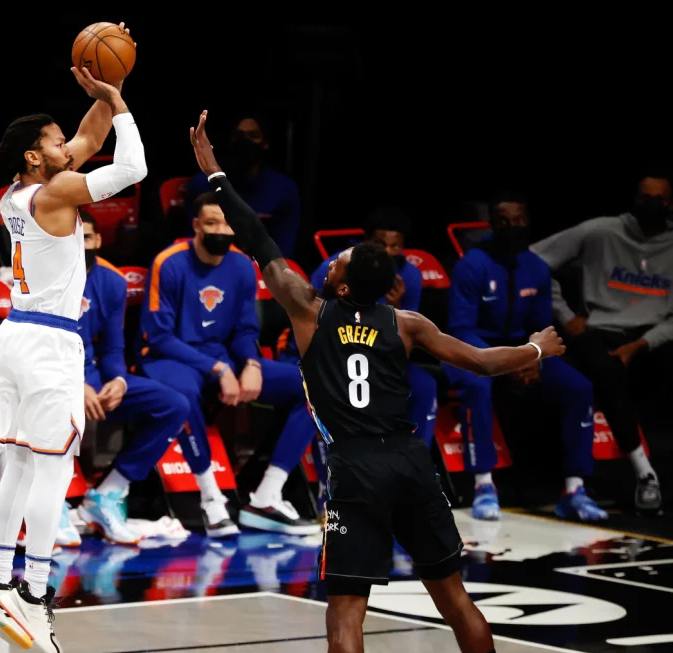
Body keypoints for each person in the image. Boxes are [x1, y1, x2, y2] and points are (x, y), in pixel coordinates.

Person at [190, 110, 567, 653]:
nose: (329, 264)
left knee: (346, 612)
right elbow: (483, 363)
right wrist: (538, 347)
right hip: (412, 462)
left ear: (340, 287)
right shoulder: (407, 324)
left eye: (336, 263)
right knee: (455, 599)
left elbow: (256, 238)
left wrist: (215, 174)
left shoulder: (307, 311)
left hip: (354, 469)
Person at [0, 46, 147, 653]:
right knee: (53, 468)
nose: (68, 142)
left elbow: (86, 144)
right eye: (55, 140)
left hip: (14, 337)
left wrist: (103, 86)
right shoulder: (56, 195)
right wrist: (119, 104)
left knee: (17, 461)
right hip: (48, 344)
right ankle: (36, 592)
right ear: (35, 155)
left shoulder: (18, 195)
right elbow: (133, 168)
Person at [142, 192, 319, 536]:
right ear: (196, 225)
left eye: (227, 224)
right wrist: (220, 370)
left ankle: (266, 496)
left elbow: (243, 329)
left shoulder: (241, 265)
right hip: (171, 357)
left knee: (314, 387)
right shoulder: (169, 262)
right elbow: (158, 337)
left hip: (222, 357)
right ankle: (211, 499)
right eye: (211, 223)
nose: (220, 230)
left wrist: (251, 363)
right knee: (182, 395)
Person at [447, 193, 603, 522]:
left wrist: (532, 356)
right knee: (477, 386)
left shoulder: (537, 268)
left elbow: (541, 327)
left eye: (519, 220)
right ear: (492, 224)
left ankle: (574, 489)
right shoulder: (472, 264)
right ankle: (483, 486)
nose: (512, 227)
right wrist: (506, 360)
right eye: (504, 221)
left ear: (528, 222)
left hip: (522, 351)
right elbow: (461, 328)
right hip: (475, 351)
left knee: (580, 388)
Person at [532, 170, 673, 513]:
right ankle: (645, 476)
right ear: (635, 200)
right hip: (602, 330)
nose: (651, 205)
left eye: (660, 200)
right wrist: (564, 314)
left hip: (655, 337)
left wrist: (641, 345)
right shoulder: (600, 230)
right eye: (645, 198)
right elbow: (532, 261)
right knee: (607, 371)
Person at [74, 214, 191, 544]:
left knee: (173, 405)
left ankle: (107, 494)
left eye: (86, 237)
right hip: (52, 377)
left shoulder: (112, 281)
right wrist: (72, 385)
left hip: (93, 375)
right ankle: (52, 510)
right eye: (73, 236)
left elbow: (112, 347)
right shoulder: (43, 279)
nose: (80, 243)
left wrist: (119, 381)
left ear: (97, 241)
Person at [310, 207, 439, 449]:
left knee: (424, 385)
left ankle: (415, 466)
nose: (388, 253)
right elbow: (312, 322)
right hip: (336, 355)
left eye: (395, 247)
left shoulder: (408, 276)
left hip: (382, 358)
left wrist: (395, 308)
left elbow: (407, 343)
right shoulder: (335, 268)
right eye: (380, 244)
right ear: (366, 242)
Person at [184, 115, 300, 258]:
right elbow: (189, 241)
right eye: (239, 135)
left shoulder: (283, 189)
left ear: (265, 143)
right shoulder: (203, 183)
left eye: (253, 135)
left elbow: (285, 249)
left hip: (264, 269)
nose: (245, 141)